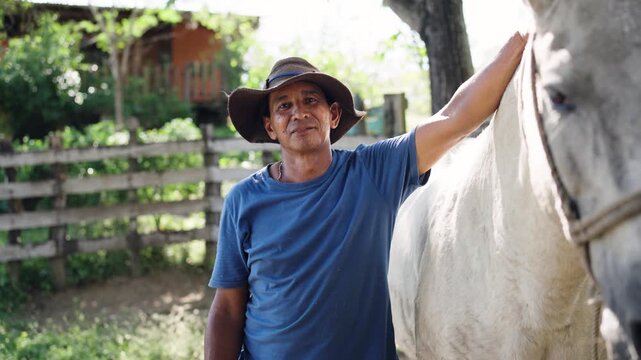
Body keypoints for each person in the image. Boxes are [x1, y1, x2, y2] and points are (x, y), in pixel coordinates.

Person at [205, 32, 528, 360]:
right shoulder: (244, 201)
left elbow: (455, 117)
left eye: (310, 100)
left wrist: (523, 38)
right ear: (270, 126)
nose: (298, 113)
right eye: (283, 106)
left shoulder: (373, 173)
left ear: (332, 114)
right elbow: (227, 311)